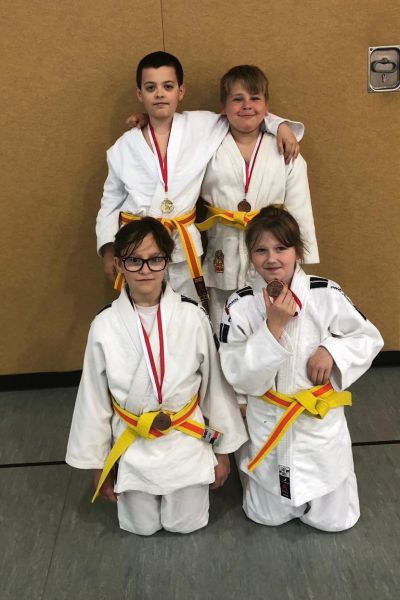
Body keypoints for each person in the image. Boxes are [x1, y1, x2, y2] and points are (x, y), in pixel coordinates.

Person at [66, 217, 247, 536]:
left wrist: (222, 453)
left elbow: (215, 390)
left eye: (155, 259)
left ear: (168, 261)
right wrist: (99, 466)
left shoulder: (192, 316)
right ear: (119, 265)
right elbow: (93, 401)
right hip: (133, 441)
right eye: (134, 260)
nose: (145, 269)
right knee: (141, 526)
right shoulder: (104, 325)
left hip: (185, 438)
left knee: (185, 524)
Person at [219, 205, 383, 532]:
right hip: (268, 420)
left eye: (281, 248)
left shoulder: (326, 293)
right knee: (265, 516)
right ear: (250, 255)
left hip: (316, 424)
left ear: (298, 250)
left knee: (335, 521)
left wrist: (332, 350)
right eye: (261, 250)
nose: (272, 259)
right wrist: (273, 328)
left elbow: (368, 337)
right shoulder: (239, 304)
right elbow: (237, 373)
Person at [96, 51, 303, 309]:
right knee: (142, 309)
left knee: (189, 310)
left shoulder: (201, 125)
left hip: (183, 247)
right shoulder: (123, 147)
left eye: (168, 86)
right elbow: (110, 202)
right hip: (138, 248)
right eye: (151, 88)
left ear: (180, 92)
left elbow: (244, 114)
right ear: (140, 94)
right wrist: (108, 248)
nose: (159, 94)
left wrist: (281, 126)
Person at [198, 65, 319, 330]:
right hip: (223, 245)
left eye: (255, 98)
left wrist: (299, 259)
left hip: (271, 248)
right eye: (237, 99)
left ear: (267, 106)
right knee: (223, 319)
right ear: (223, 107)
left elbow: (299, 209)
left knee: (272, 314)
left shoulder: (284, 149)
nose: (247, 106)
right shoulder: (206, 146)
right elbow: (175, 128)